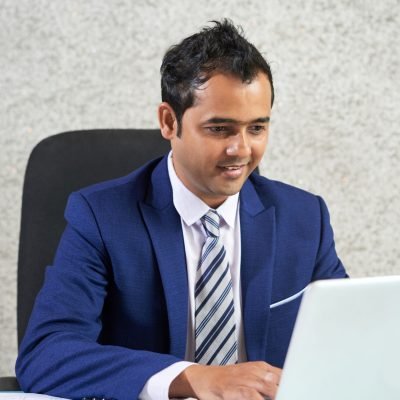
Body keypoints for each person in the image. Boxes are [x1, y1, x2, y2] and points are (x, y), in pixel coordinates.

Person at [16, 19, 347, 400]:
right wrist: (192, 378)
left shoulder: (305, 218)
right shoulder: (101, 217)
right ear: (169, 121)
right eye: (220, 129)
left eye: (256, 128)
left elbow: (350, 341)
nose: (241, 149)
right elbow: (45, 355)